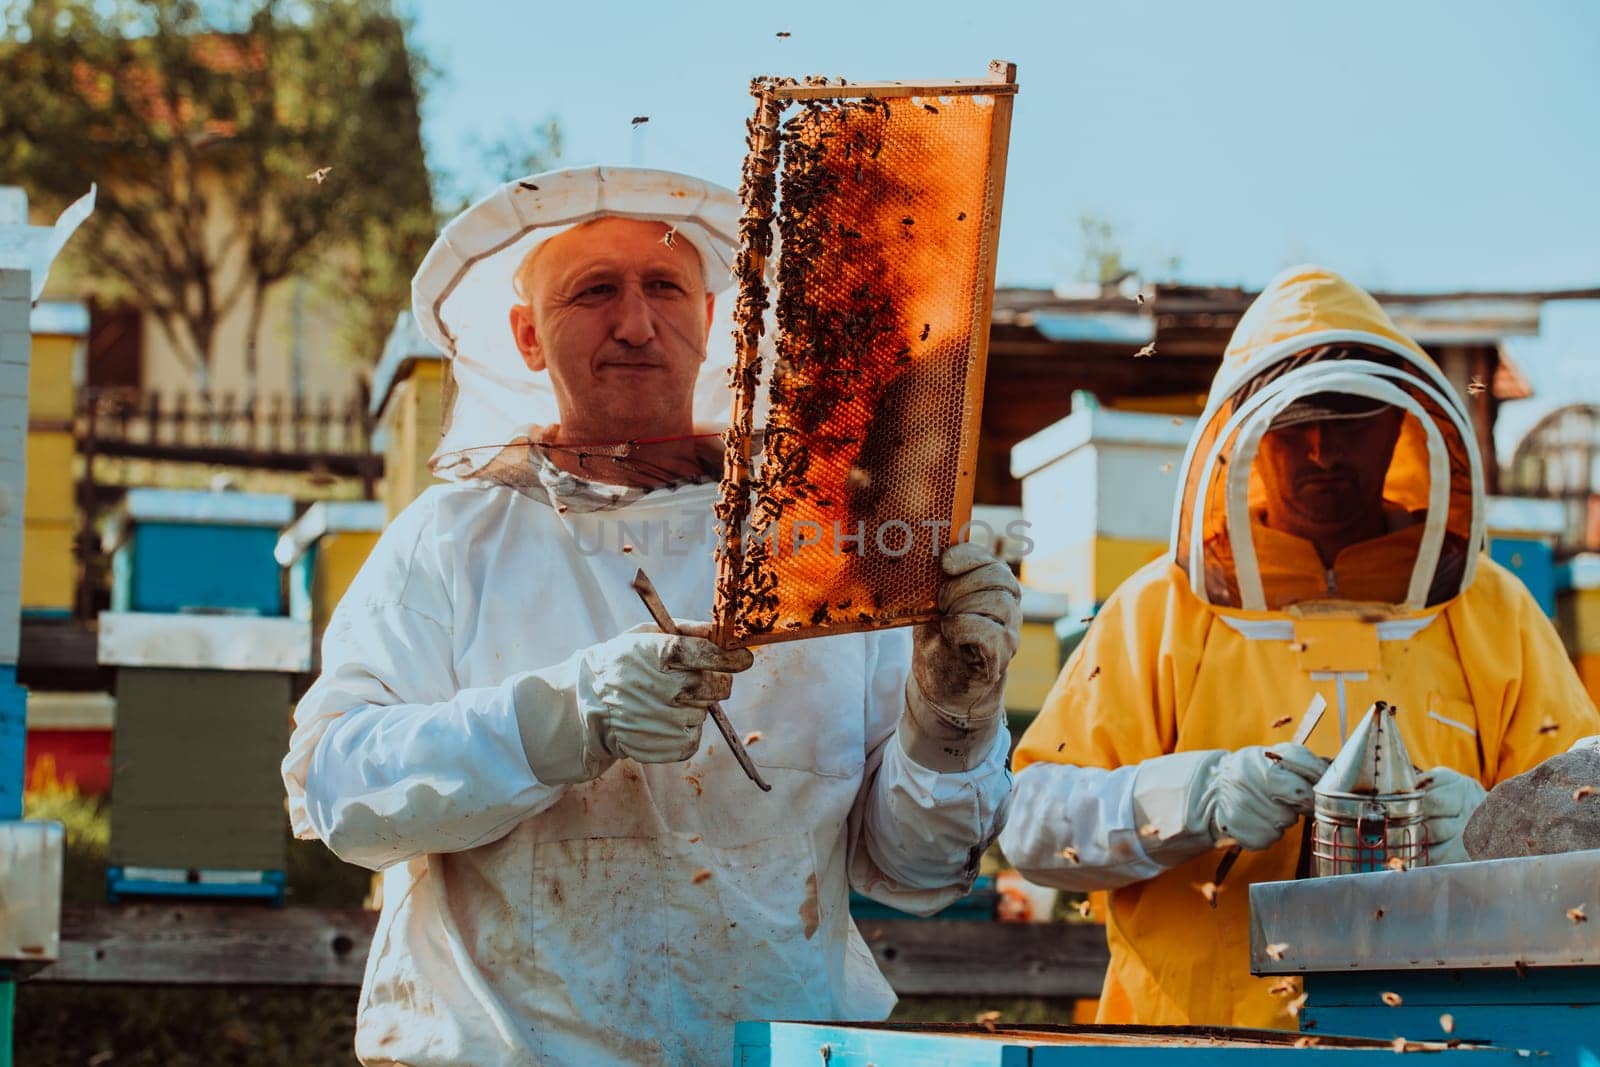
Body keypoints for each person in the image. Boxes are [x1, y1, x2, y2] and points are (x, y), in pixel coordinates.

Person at [281, 166, 1019, 1066]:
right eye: (594, 292)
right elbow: (337, 787)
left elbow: (917, 872)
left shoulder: (825, 553)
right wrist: (560, 718)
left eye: (665, 285)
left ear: (713, 319)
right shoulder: (448, 541)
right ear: (525, 335)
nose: (635, 323)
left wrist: (951, 719)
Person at [1000, 265, 1600, 1029]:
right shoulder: (1160, 609)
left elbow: (1589, 816)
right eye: (1296, 421)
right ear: (1247, 435)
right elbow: (1030, 823)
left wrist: (1497, 829)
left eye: (1351, 415)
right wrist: (1190, 797)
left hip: (1447, 1043)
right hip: (1193, 1048)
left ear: (1401, 428)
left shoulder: (1492, 612)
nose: (1321, 449)